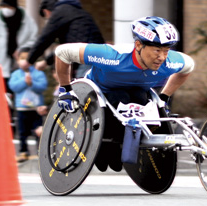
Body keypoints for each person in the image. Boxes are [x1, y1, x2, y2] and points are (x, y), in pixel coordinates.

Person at [54, 16, 195, 172]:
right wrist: (65, 90)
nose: (162, 57)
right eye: (157, 50)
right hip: (100, 96)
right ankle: (105, 143)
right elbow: (62, 52)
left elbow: (188, 67)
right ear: (138, 45)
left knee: (141, 97)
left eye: (166, 51)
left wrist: (164, 96)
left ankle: (122, 142)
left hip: (134, 97)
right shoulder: (113, 56)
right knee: (120, 97)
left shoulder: (170, 62)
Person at [21, 0, 105, 78]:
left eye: (47, 18)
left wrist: (29, 60)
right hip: (101, 55)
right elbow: (66, 47)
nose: (48, 20)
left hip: (86, 57)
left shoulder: (60, 11)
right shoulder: (78, 12)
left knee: (82, 89)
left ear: (46, 11)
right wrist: (46, 62)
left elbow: (45, 38)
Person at [0, 0, 38, 92]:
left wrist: (22, 50)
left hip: (21, 66)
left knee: (19, 91)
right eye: (3, 7)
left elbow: (35, 39)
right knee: (1, 92)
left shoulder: (28, 21)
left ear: (15, 7)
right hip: (1, 64)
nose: (6, 9)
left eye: (9, 7)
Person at [8, 48, 48, 162]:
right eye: (22, 58)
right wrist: (24, 82)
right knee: (22, 132)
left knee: (39, 131)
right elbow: (13, 87)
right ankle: (23, 152)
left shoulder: (38, 73)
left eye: (27, 58)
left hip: (36, 109)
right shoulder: (15, 74)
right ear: (17, 60)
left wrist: (32, 83)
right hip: (22, 108)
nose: (24, 61)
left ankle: (41, 152)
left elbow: (42, 87)